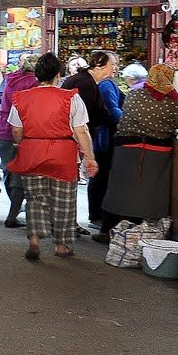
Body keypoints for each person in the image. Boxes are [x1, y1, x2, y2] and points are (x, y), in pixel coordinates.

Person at [7, 53, 99, 261]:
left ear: (37, 75)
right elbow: (81, 131)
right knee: (63, 200)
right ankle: (61, 245)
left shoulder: (22, 98)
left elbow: (16, 130)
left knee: (35, 199)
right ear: (59, 75)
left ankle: (34, 241)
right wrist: (89, 157)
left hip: (32, 152)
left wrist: (25, 143)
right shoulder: (71, 97)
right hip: (63, 154)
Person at [101, 63, 178, 225]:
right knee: (148, 194)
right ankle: (142, 231)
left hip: (125, 149)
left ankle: (109, 229)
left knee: (119, 190)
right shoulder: (174, 102)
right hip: (156, 155)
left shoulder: (134, 95)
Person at [63, 50, 121, 241]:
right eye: (113, 64)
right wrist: (87, 152)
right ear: (101, 65)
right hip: (73, 138)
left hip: (74, 137)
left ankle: (68, 223)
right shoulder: (86, 84)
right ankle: (66, 225)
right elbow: (85, 119)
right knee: (69, 184)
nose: (116, 68)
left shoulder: (88, 82)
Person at [0, 59, 38, 228]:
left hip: (2, 129)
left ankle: (14, 210)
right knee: (19, 175)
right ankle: (13, 215)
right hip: (19, 130)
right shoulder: (33, 83)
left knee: (9, 171)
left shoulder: (11, 79)